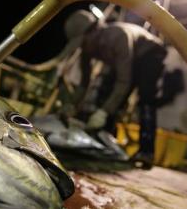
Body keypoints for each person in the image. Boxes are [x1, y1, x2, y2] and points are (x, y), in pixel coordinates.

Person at [64, 10, 167, 166]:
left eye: (83, 43)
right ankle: (103, 143)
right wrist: (71, 105)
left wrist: (104, 112)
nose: (82, 48)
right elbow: (84, 83)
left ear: (93, 33)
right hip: (128, 57)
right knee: (106, 92)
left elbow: (124, 80)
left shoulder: (118, 37)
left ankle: (146, 152)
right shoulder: (87, 47)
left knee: (146, 98)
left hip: (150, 54)